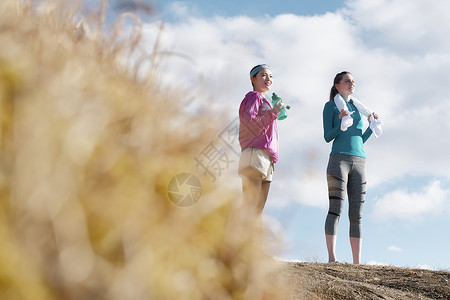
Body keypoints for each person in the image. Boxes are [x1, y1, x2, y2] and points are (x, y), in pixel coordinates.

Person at [322, 71, 380, 264]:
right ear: (337, 85)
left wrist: (371, 127)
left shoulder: (358, 109)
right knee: (335, 209)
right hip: (338, 160)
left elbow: (359, 140)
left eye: (353, 81)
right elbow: (328, 136)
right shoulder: (330, 106)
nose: (351, 84)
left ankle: (357, 263)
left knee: (357, 214)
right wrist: (340, 122)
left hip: (360, 161)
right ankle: (332, 258)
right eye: (347, 81)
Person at [238, 64, 284, 216]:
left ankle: (249, 239)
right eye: (263, 75)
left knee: (257, 211)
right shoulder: (253, 97)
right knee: (250, 206)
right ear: (253, 79)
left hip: (267, 160)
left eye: (271, 76)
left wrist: (273, 111)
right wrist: (272, 113)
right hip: (254, 154)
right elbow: (249, 123)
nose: (268, 79)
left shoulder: (266, 102)